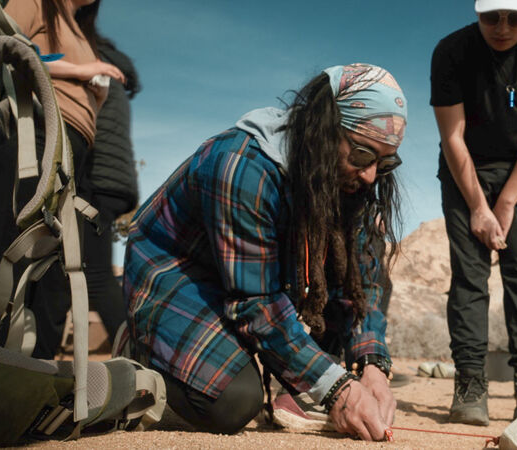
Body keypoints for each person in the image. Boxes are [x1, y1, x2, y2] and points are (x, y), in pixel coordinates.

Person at [122, 64, 407, 441]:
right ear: (323, 131)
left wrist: (371, 366)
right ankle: (145, 347)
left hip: (249, 286)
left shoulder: (348, 182)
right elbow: (257, 303)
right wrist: (338, 389)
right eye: (361, 154)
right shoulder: (243, 167)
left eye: (385, 163)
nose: (371, 175)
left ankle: (288, 374)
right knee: (234, 402)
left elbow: (361, 282)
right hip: (178, 278)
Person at [430, 0, 517, 425]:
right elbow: (452, 136)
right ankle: (470, 384)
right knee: (470, 275)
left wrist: (506, 201)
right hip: (464, 169)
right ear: (477, 10)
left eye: (516, 16)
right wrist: (478, 206)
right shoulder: (450, 51)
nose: (503, 27)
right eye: (491, 16)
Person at [2, 0, 126, 358]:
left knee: (59, 272)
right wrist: (81, 69)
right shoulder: (36, 3)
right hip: (42, 131)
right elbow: (5, 45)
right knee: (17, 250)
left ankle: (37, 370)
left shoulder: (78, 29)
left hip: (77, 151)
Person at [82, 35, 141, 344]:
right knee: (85, 273)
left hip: (96, 177)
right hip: (116, 180)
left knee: (94, 275)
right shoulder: (111, 68)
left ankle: (136, 355)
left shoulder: (89, 63)